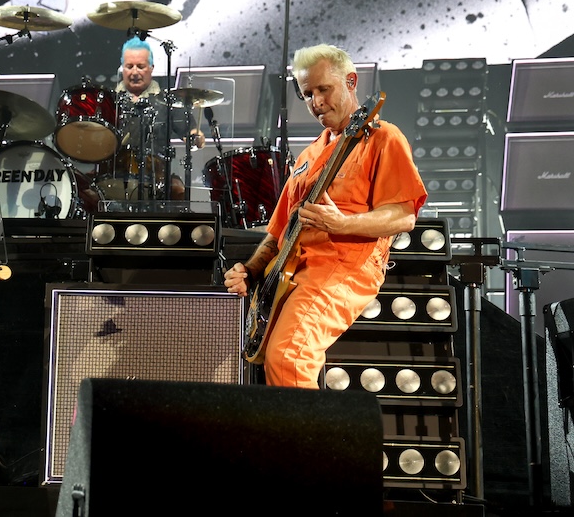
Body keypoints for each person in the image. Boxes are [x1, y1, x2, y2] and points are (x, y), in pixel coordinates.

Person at [223, 43, 427, 388]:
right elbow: (277, 234)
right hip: (292, 273)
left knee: (289, 358)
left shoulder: (382, 138)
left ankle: (312, 442)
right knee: (270, 368)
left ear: (351, 81)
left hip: (344, 269)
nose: (316, 102)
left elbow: (404, 215)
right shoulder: (308, 155)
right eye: (307, 94)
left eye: (323, 89)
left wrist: (343, 223)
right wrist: (250, 270)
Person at [94, 36, 204, 200]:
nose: (135, 72)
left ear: (151, 68)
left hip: (158, 175)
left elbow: (193, 134)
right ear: (122, 69)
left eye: (141, 66)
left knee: (178, 192)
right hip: (114, 173)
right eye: (129, 66)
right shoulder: (110, 102)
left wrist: (195, 138)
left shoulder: (167, 101)